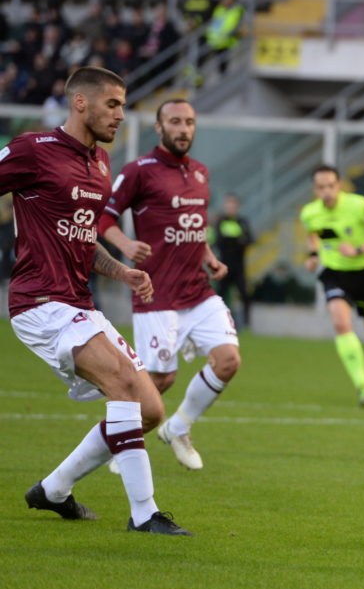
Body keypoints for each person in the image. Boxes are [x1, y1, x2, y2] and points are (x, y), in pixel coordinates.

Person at [1, 66, 191, 535]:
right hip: (40, 302)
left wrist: (121, 271)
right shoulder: (33, 149)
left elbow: (85, 241)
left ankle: (53, 490)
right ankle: (145, 513)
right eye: (113, 104)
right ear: (80, 102)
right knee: (123, 383)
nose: (121, 115)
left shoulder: (101, 163)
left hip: (80, 304)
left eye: (123, 105)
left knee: (150, 410)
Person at [99, 99, 240, 472]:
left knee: (228, 361)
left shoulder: (201, 172)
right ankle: (117, 443)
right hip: (156, 293)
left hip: (197, 290)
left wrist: (208, 256)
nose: (183, 128)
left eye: (189, 122)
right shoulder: (138, 171)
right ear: (159, 128)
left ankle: (177, 428)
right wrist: (126, 245)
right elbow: (103, 218)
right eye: (175, 121)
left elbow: (194, 225)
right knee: (160, 380)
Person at [300, 165, 364, 408]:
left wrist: (359, 249)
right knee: (341, 323)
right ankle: (362, 386)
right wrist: (313, 255)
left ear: (339, 185)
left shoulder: (360, 206)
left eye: (330, 186)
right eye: (321, 187)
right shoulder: (309, 213)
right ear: (315, 189)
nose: (326, 191)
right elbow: (312, 234)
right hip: (334, 273)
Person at [213, 193, 254, 328]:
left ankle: (247, 324)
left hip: (239, 266)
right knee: (219, 296)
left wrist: (232, 240)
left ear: (237, 206)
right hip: (224, 265)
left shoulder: (242, 222)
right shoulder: (220, 221)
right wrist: (236, 240)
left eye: (233, 204)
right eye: (228, 204)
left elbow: (250, 239)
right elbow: (217, 241)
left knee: (244, 295)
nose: (231, 206)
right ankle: (218, 322)